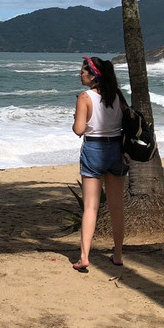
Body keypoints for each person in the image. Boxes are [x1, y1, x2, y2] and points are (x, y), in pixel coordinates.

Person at [70, 55, 126, 273]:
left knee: (91, 207)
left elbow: (79, 130)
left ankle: (84, 257)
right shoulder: (117, 96)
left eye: (83, 70)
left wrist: (76, 116)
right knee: (116, 207)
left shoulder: (85, 97)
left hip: (94, 149)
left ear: (93, 75)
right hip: (116, 150)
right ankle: (118, 255)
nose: (80, 73)